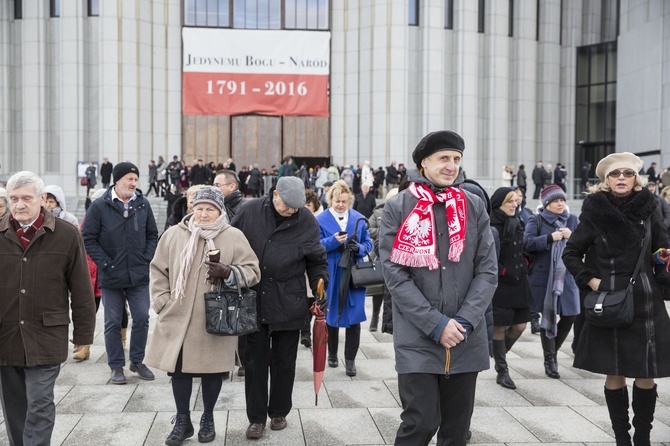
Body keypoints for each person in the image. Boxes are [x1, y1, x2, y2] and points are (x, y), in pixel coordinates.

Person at [379, 130, 498, 445]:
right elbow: (394, 274)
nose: (452, 165)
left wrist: (464, 321)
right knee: (421, 423)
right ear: (423, 164)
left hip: (465, 338)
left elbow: (487, 270)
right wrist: (435, 324)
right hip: (418, 338)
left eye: (456, 159)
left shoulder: (473, 206)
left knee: (457, 432)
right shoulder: (399, 207)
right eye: (444, 158)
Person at [563, 152, 670, 446]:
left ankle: (644, 437)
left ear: (636, 178)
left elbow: (662, 250)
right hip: (611, 303)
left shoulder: (650, 210)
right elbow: (570, 253)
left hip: (647, 303)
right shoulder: (594, 213)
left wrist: (664, 266)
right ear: (605, 181)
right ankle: (622, 436)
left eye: (627, 173)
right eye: (614, 174)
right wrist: (593, 281)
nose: (621, 178)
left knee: (646, 375)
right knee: (615, 373)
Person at [146, 187, 261, 445]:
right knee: (179, 372)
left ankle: (208, 418)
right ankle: (182, 420)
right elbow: (157, 270)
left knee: (212, 372)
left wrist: (228, 272)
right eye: (199, 208)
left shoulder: (233, 236)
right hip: (178, 316)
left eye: (210, 209)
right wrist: (163, 301)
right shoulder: (173, 234)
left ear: (220, 210)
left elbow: (253, 271)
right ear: (191, 208)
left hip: (215, 317)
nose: (204, 214)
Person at [0, 171, 96, 445]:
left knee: (41, 402)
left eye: (26, 198)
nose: (19, 204)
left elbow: (80, 287)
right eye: (14, 198)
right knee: (14, 407)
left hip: (47, 333)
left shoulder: (66, 235)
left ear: (42, 199)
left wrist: (84, 333)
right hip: (5, 335)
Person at [230, 176, 329, 440]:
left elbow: (316, 259)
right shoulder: (249, 211)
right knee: (254, 362)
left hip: (290, 299)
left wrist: (320, 284)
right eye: (287, 206)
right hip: (255, 297)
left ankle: (279, 412)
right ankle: (256, 418)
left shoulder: (306, 220)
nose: (292, 211)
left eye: (296, 207)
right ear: (275, 195)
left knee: (285, 362)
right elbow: (230, 243)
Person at [82, 162, 159, 384]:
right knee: (113, 322)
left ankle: (137, 360)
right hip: (112, 275)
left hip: (138, 274)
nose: (134, 183)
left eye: (136, 179)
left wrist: (146, 258)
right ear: (117, 180)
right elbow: (88, 237)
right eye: (129, 179)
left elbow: (153, 234)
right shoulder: (99, 206)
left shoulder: (143, 204)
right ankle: (116, 365)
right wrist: (106, 263)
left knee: (143, 317)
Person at [316, 180, 373, 376]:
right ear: (330, 199)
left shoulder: (359, 219)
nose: (340, 204)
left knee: (354, 316)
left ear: (349, 199)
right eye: (336, 200)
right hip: (331, 271)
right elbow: (315, 246)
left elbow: (368, 242)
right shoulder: (320, 220)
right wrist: (333, 241)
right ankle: (332, 353)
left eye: (344, 201)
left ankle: (350, 360)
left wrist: (361, 248)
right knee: (331, 315)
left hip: (353, 273)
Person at [523, 184, 579, 379]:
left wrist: (572, 237)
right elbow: (527, 243)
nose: (560, 204)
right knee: (549, 316)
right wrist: (549, 238)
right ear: (546, 203)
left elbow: (584, 245)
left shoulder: (572, 220)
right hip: (543, 278)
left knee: (571, 315)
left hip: (567, 277)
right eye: (556, 201)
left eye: (562, 200)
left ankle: (552, 352)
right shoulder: (535, 220)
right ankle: (550, 361)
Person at [489, 187, 532, 390]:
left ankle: (499, 352)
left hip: (520, 282)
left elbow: (523, 248)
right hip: (502, 283)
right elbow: (486, 256)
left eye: (516, 201)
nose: (515, 204)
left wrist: (526, 262)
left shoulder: (518, 221)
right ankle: (502, 370)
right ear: (499, 204)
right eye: (510, 201)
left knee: (520, 326)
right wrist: (503, 272)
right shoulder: (491, 224)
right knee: (499, 327)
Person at [367, 187, 399, 332]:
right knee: (378, 291)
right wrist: (385, 231)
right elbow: (368, 229)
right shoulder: (378, 213)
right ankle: (375, 316)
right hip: (379, 255)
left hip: (396, 258)